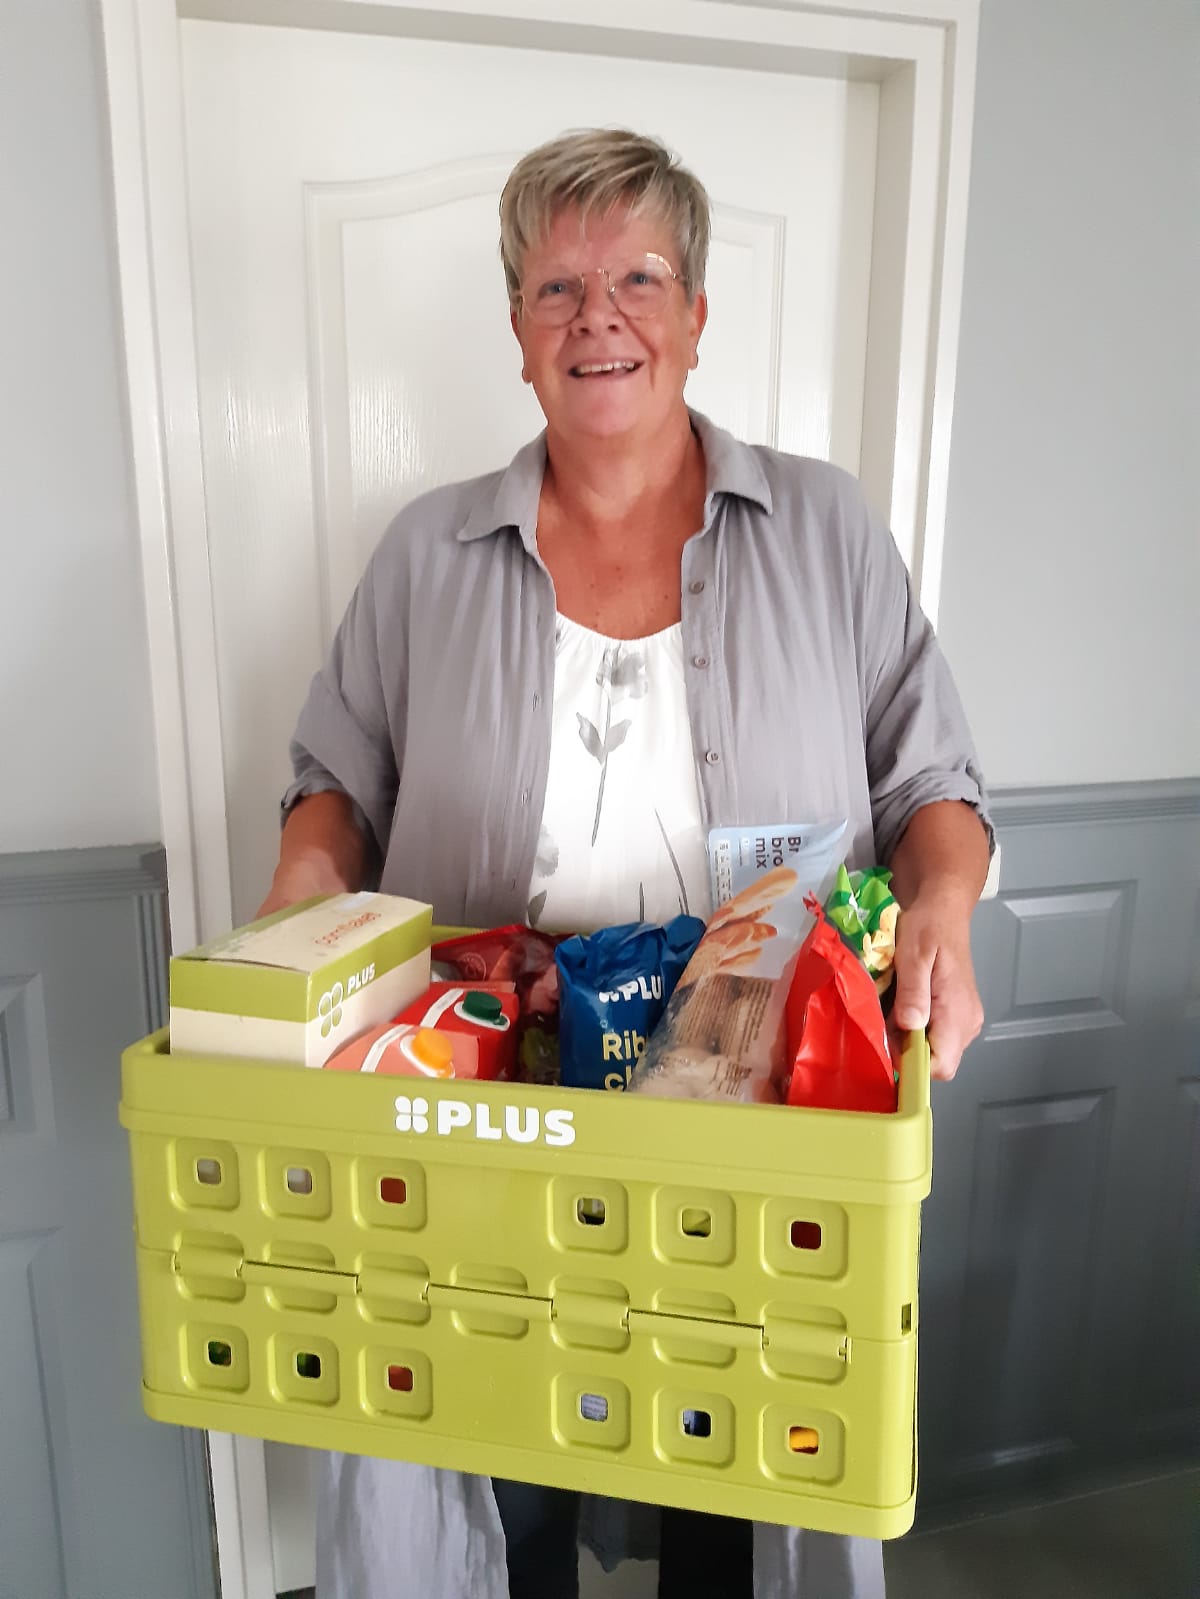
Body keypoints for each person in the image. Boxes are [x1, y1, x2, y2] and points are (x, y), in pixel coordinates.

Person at [261, 128, 991, 1599]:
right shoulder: (424, 555)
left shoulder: (826, 531)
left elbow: (933, 782)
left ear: (697, 313)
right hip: (485, 1102)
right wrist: (299, 898)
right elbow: (335, 779)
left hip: (756, 1103)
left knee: (742, 1455)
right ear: (519, 329)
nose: (599, 316)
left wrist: (944, 909)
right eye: (558, 287)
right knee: (492, 1440)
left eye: (640, 278)